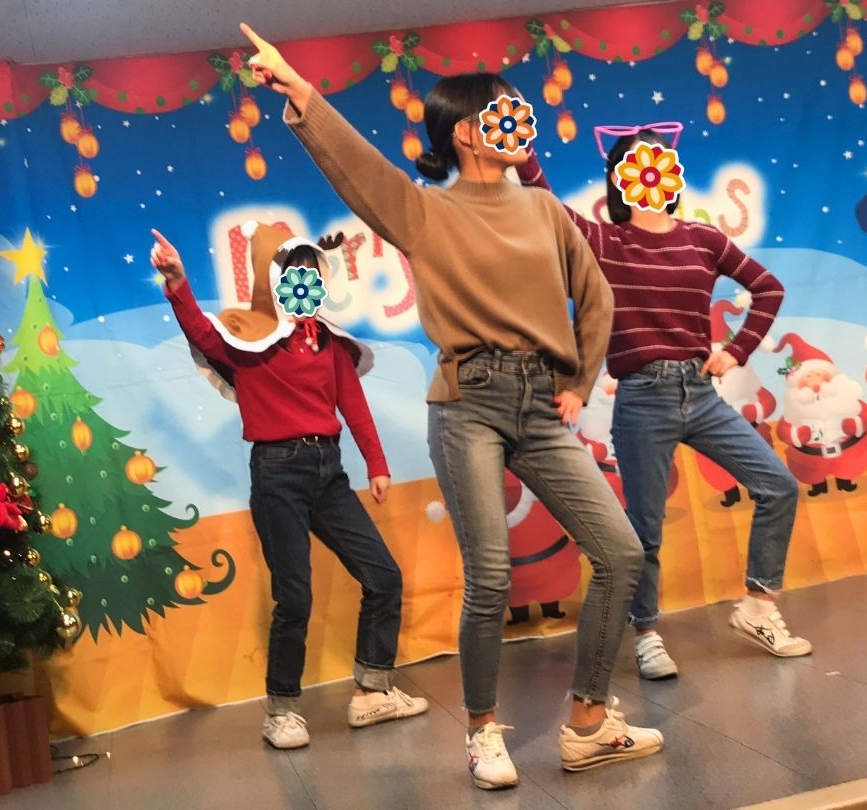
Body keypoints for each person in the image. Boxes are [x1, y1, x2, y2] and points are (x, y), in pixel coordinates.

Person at [238, 23, 662, 789]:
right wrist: (301, 95)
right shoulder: (424, 211)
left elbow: (594, 297)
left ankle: (590, 720)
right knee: (491, 575)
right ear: (467, 131)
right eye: (503, 112)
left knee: (621, 552)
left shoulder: (543, 210)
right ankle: (482, 732)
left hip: (539, 402)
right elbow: (359, 171)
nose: (517, 122)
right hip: (468, 402)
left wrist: (578, 382)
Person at [516, 126, 811, 681]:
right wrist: (524, 153)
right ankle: (647, 632)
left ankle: (758, 606)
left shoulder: (703, 239)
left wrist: (737, 350)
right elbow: (550, 208)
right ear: (622, 180)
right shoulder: (604, 241)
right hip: (642, 398)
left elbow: (768, 288)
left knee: (778, 485)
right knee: (645, 529)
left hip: (699, 394)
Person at [149, 223, 428, 750]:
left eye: (313, 277)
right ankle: (282, 711)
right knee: (294, 595)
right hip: (277, 473)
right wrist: (179, 284)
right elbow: (202, 335)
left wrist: (377, 462)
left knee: (383, 576)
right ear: (276, 281)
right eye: (294, 277)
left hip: (328, 471)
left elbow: (354, 403)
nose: (305, 286)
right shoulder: (249, 342)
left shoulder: (326, 340)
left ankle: (372, 690)